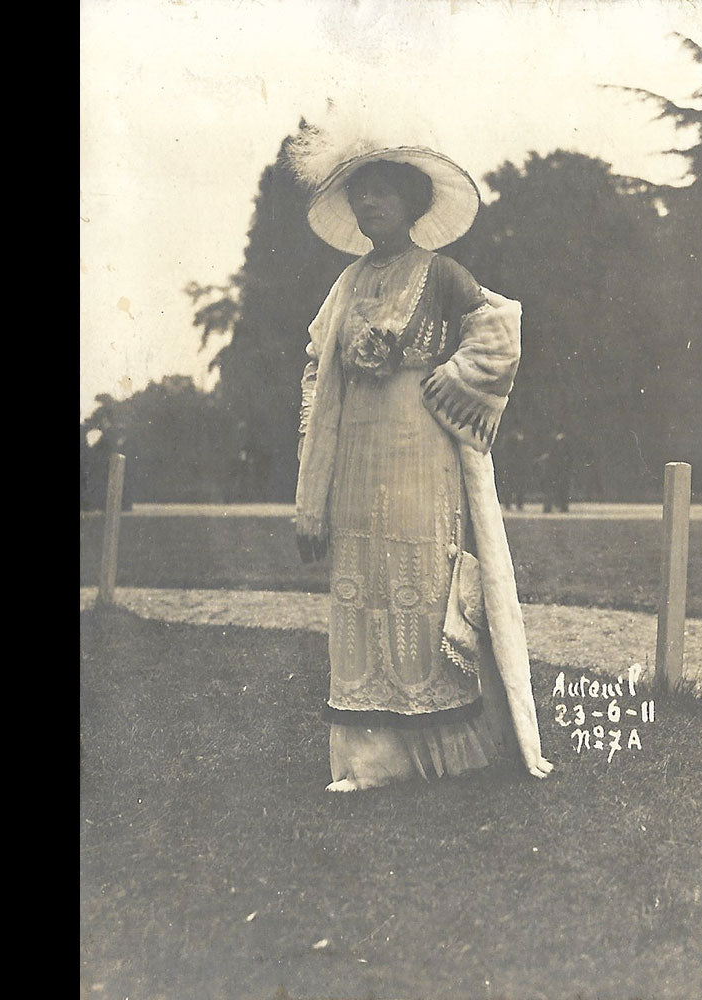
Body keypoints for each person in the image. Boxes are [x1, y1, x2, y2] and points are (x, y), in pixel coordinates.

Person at [292, 139, 552, 792]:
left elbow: (499, 332)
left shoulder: (441, 275)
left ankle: (443, 755)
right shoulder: (346, 286)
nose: (369, 202)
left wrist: (450, 382)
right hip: (356, 460)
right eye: (360, 192)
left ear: (411, 201)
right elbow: (319, 368)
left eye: (382, 189)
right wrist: (313, 483)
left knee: (422, 585)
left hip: (423, 457)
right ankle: (366, 762)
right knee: (362, 590)